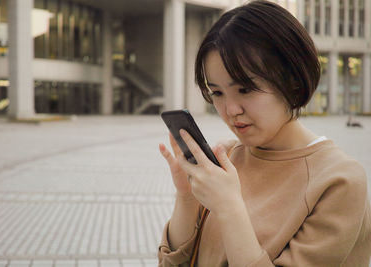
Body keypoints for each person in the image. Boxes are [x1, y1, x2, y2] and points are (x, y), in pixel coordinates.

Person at [157, 1, 371, 266]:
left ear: (291, 80)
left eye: (245, 89)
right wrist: (187, 197)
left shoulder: (339, 181)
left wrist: (229, 207)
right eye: (217, 93)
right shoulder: (228, 158)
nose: (231, 109)